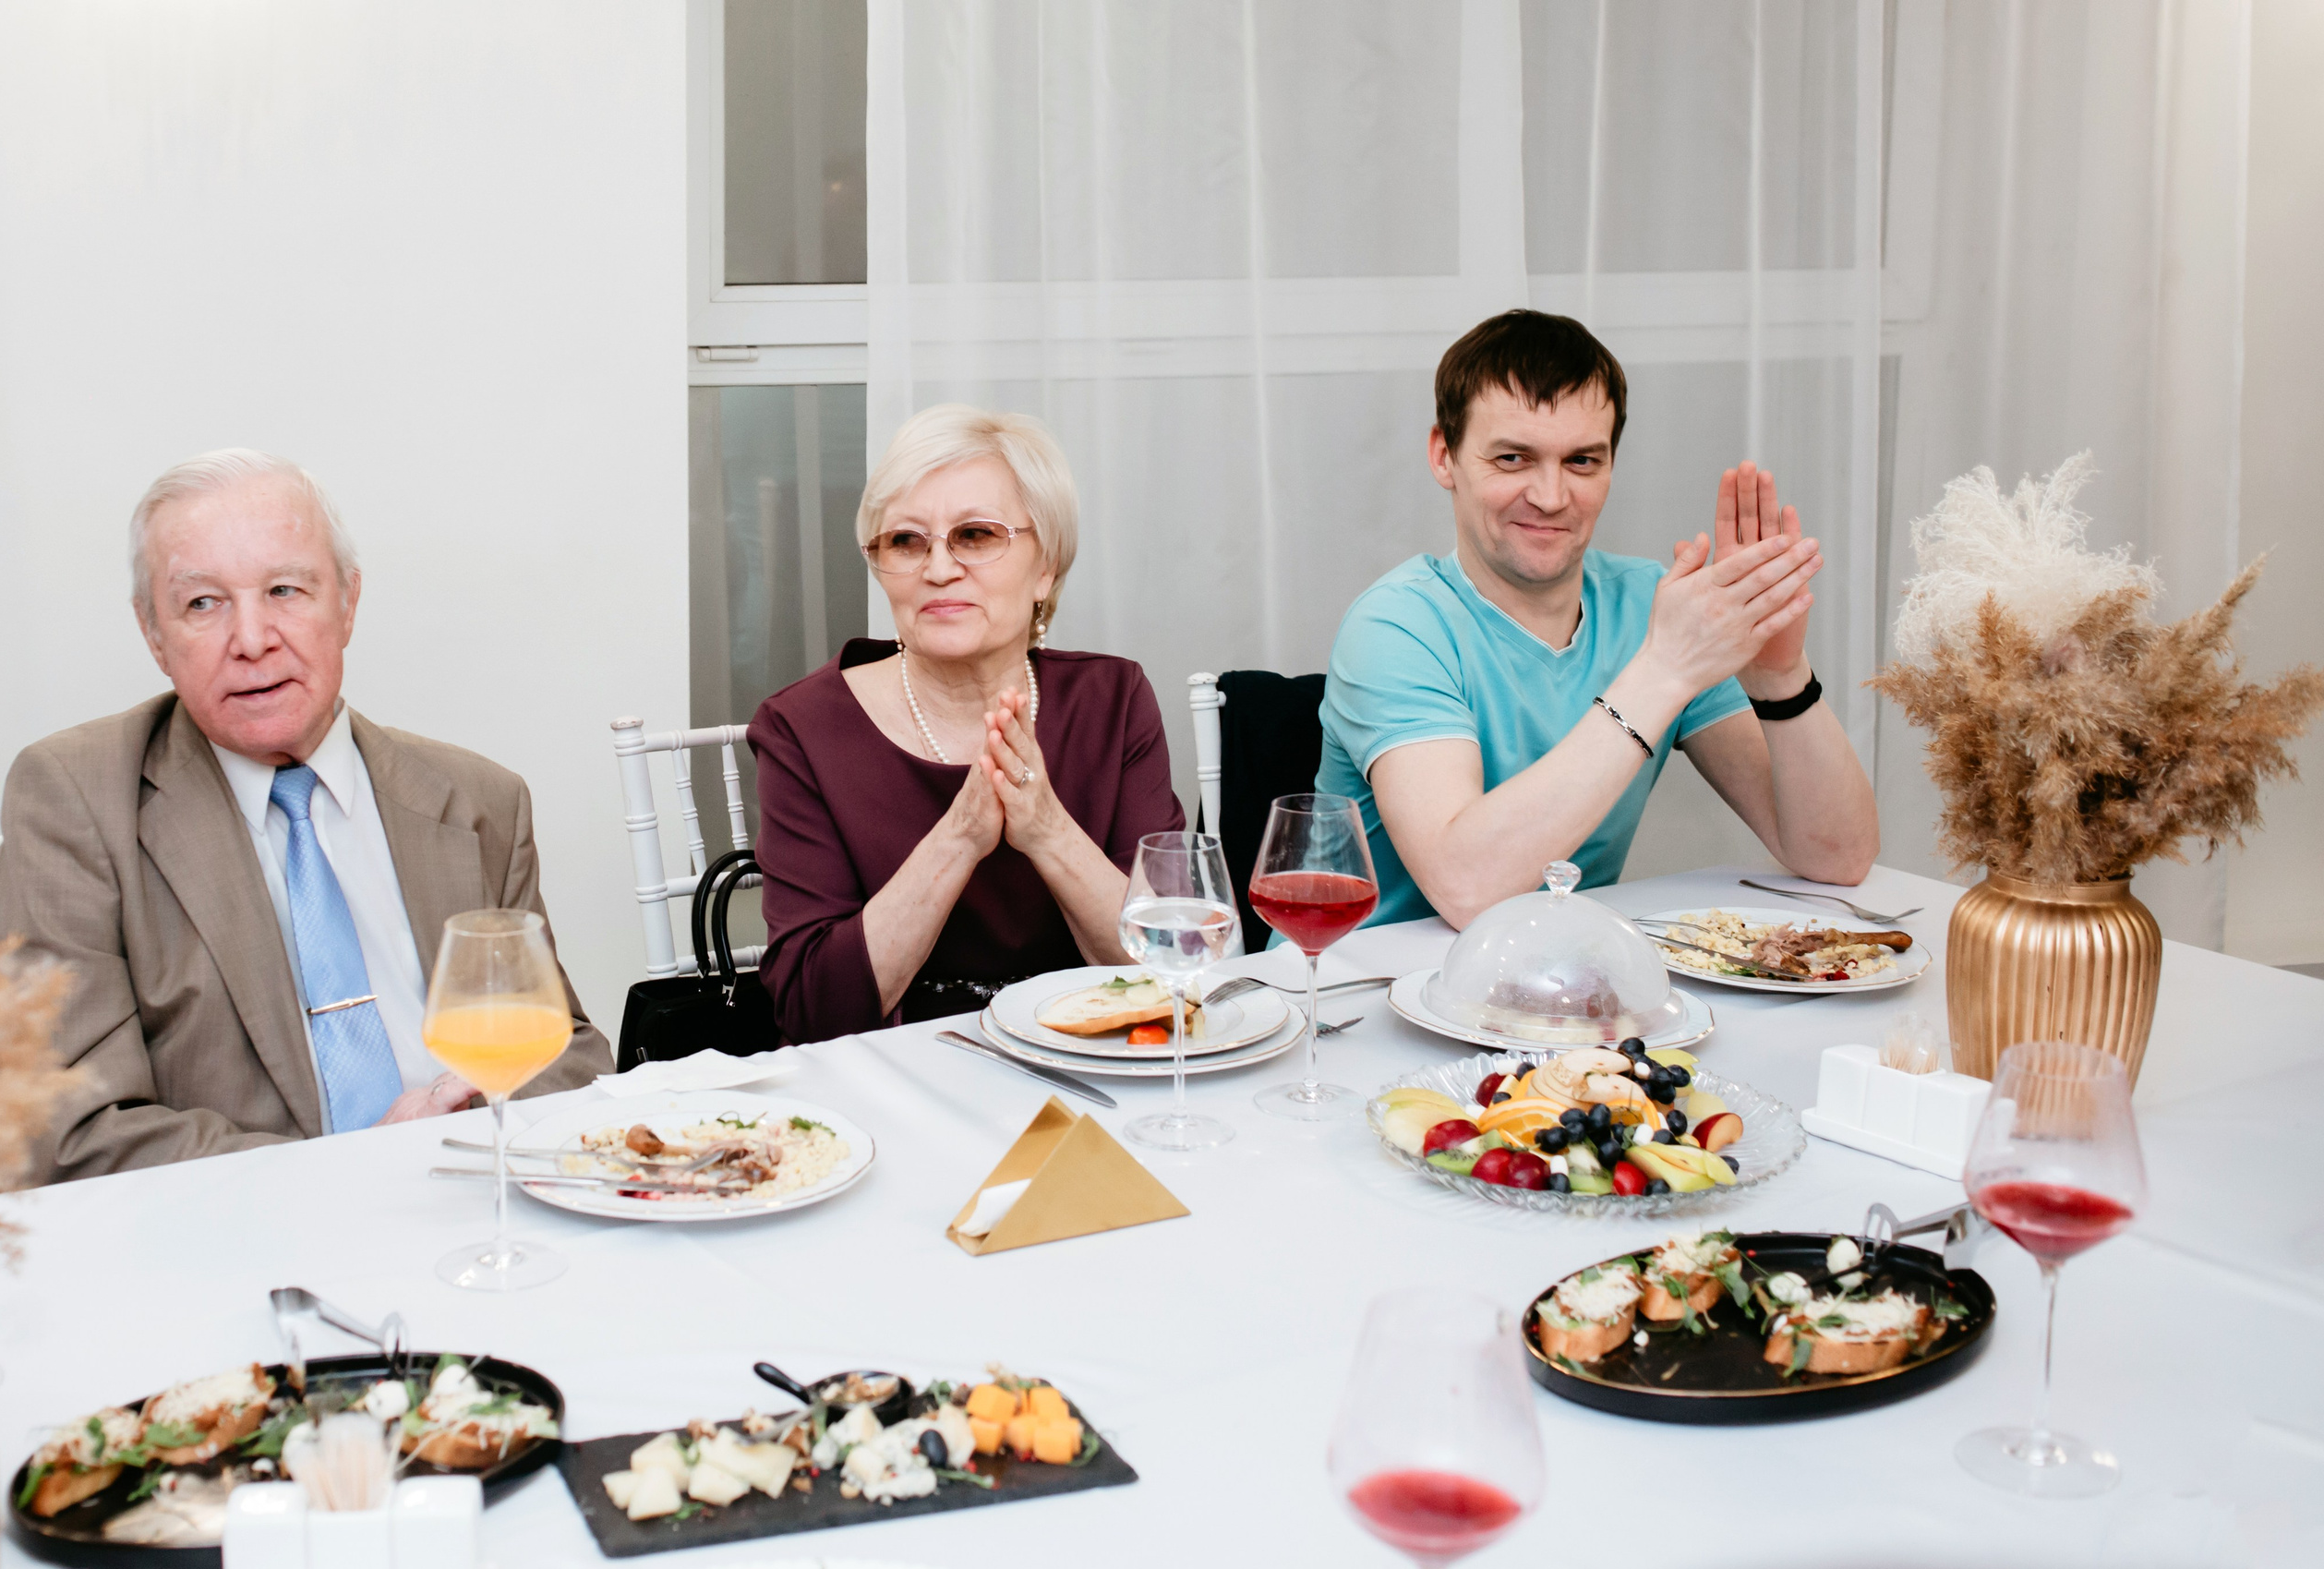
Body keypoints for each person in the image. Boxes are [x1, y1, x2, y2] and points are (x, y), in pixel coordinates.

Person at [0, 449, 609, 1180]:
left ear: (347, 602)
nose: (252, 640)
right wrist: (356, 1170)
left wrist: (461, 1145)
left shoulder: (479, 801)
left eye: (285, 590)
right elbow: (67, 1132)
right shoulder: (75, 799)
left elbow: (564, 1056)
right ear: (153, 633)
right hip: (242, 1233)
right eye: (203, 603)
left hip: (471, 1201)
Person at [1319, 309, 1879, 929]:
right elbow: (1467, 889)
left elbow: (1838, 857)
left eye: (1582, 461)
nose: (1551, 496)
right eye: (1513, 458)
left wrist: (1779, 676)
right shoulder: (1394, 627)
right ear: (1444, 456)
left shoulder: (1649, 605)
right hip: (1362, 980)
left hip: (1552, 976)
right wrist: (1664, 670)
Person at [749, 404, 1184, 1043]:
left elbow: (1172, 974)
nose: (938, 569)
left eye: (975, 535)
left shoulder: (1113, 701)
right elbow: (813, 1014)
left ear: (1045, 568)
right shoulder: (803, 729)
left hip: (1090, 1062)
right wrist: (959, 837)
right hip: (897, 1075)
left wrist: (1046, 830)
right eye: (906, 541)